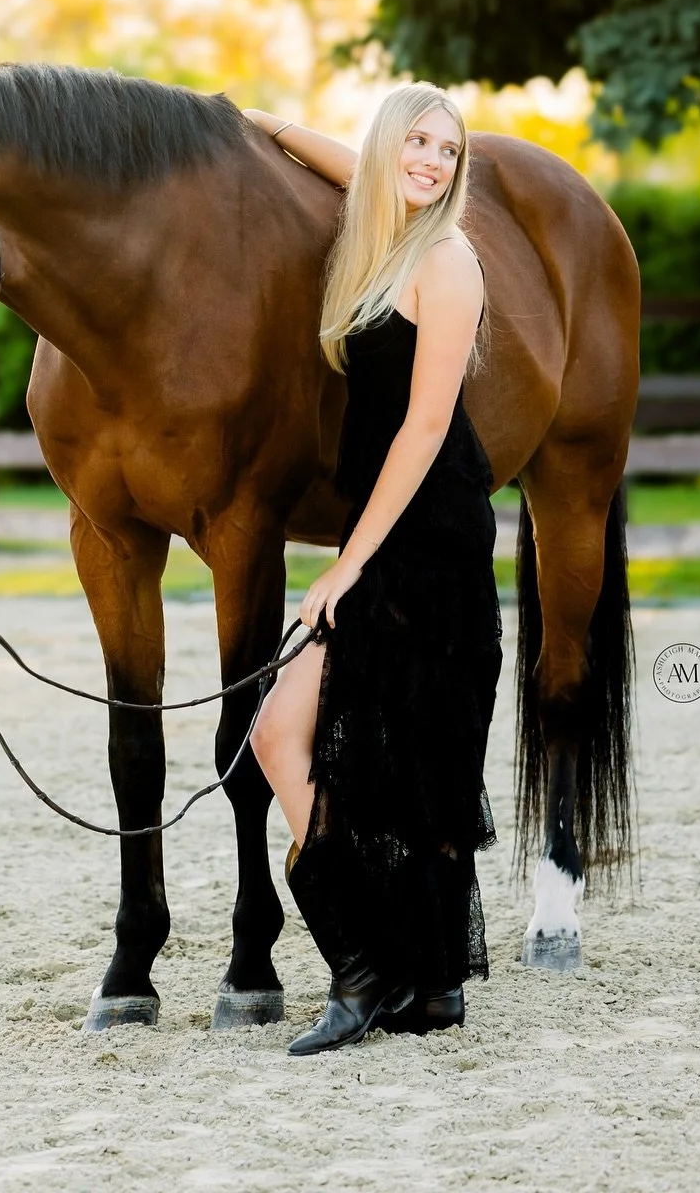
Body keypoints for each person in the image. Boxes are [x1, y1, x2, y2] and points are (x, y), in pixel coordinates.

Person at [248, 84, 502, 1056]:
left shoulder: (447, 259)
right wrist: (263, 127)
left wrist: (345, 568)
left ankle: (395, 979)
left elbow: (428, 427)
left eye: (450, 150)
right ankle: (382, 965)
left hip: (428, 544)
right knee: (285, 736)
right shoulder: (381, 227)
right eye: (420, 143)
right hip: (383, 535)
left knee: (413, 763)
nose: (434, 162)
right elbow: (352, 166)